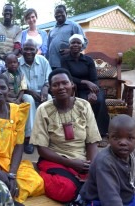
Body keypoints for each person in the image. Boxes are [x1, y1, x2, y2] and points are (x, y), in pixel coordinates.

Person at [29, 68, 101, 203]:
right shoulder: (43, 109)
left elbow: (92, 142)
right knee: (66, 189)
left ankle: (80, 191)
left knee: (104, 180)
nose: (61, 87)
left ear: (72, 84)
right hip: (56, 160)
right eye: (56, 85)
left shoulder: (84, 105)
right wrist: (71, 163)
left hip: (83, 160)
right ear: (50, 89)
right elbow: (42, 149)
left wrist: (91, 169)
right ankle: (44, 175)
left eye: (65, 83)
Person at [0, 73, 44, 204]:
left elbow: (19, 145)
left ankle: (3, 193)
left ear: (8, 90)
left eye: (2, 88)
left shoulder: (18, 111)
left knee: (35, 182)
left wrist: (12, 175)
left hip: (10, 163)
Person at [61, 34, 110, 147]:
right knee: (83, 102)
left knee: (99, 100)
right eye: (73, 42)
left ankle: (102, 134)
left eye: (78, 43)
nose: (75, 45)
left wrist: (93, 92)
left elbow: (94, 79)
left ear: (82, 45)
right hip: (76, 88)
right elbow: (67, 77)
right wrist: (85, 82)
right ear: (69, 45)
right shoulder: (65, 60)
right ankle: (84, 134)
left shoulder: (88, 60)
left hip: (92, 88)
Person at [80, 114, 135, 206]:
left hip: (125, 198)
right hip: (100, 200)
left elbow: (132, 183)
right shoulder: (105, 162)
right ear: (108, 139)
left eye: (130, 138)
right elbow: (110, 199)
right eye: (116, 137)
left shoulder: (134, 157)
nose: (123, 142)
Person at [18, 39, 52, 154]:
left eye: (31, 49)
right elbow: (17, 84)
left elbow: (49, 79)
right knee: (29, 99)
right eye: (26, 49)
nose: (28, 52)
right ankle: (29, 138)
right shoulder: (17, 63)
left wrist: (45, 89)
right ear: (22, 50)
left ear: (36, 50)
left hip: (42, 91)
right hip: (25, 93)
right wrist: (31, 92)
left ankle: (48, 136)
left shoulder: (43, 61)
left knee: (49, 99)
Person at [46, 5, 88, 69]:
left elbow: (84, 41)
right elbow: (48, 47)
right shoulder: (52, 30)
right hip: (52, 64)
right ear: (54, 15)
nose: (59, 15)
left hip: (67, 64)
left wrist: (71, 50)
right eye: (57, 13)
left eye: (61, 12)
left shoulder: (73, 25)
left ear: (66, 13)